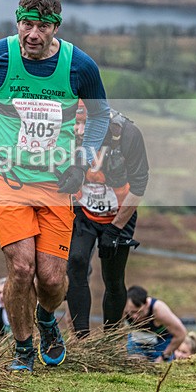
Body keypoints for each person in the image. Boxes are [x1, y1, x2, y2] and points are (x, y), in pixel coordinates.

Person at [0, 0, 110, 372]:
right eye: (26, 24)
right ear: (17, 21)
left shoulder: (80, 66)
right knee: (22, 268)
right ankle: (23, 348)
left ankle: (46, 318)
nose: (32, 34)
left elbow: (100, 115)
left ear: (56, 27)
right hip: (7, 180)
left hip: (57, 184)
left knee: (52, 280)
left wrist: (81, 163)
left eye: (42, 26)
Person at [66, 102, 149, 339]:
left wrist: (115, 229)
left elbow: (139, 185)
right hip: (83, 210)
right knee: (76, 264)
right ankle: (81, 339)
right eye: (76, 123)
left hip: (119, 212)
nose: (80, 130)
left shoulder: (128, 135)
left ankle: (109, 341)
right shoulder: (66, 131)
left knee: (113, 277)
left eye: (86, 123)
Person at [124, 285, 188, 362]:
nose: (135, 316)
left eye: (139, 312)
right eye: (132, 312)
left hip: (161, 341)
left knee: (160, 366)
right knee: (133, 362)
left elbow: (181, 334)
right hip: (137, 339)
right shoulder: (123, 308)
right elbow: (115, 330)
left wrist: (164, 356)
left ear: (146, 304)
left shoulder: (159, 310)